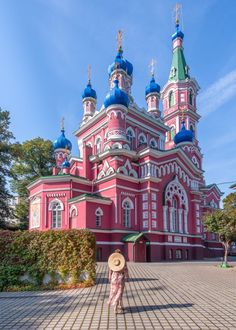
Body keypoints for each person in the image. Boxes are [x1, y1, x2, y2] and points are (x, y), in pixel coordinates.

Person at [107, 249, 129, 314]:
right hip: (120, 278)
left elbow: (110, 270)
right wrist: (127, 276)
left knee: (113, 291)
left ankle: (120, 305)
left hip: (114, 278)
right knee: (119, 292)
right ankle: (115, 307)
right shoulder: (123, 261)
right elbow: (126, 270)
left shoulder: (112, 261)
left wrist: (109, 277)